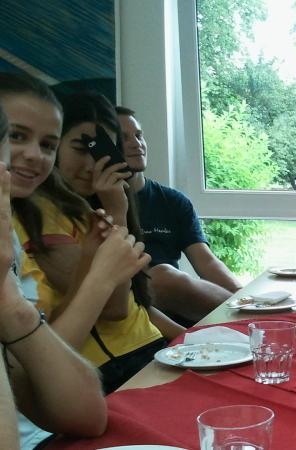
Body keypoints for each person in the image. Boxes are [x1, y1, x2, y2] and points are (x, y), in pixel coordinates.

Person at [3, 75, 167, 393]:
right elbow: (115, 308)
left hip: (142, 350)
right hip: (109, 369)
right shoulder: (38, 213)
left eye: (103, 151)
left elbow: (135, 304)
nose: (93, 165)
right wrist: (116, 211)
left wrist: (188, 334)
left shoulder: (80, 209)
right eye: (16, 136)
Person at [0, 80, 107, 449]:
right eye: (17, 136)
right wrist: (102, 275)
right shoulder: (33, 219)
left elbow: (88, 416)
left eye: (47, 145)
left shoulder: (10, 238)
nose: (34, 155)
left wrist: (12, 307)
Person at [116, 106, 242, 324]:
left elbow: (207, 263)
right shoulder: (97, 205)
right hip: (133, 308)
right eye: (123, 138)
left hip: (180, 310)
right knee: (161, 276)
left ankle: (254, 318)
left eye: (138, 135)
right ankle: (253, 322)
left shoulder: (173, 201)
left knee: (166, 276)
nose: (137, 144)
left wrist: (244, 297)